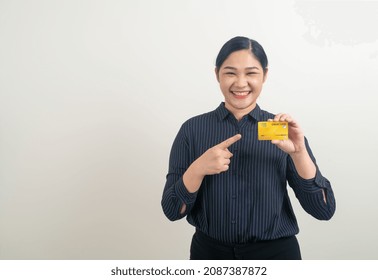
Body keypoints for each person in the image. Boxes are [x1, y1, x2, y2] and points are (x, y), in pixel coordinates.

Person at [161, 36, 336, 260]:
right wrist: (197, 169)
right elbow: (172, 210)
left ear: (265, 75)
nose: (241, 83)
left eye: (251, 73)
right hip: (210, 255)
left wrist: (298, 153)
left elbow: (323, 210)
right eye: (230, 73)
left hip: (276, 256)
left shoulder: (281, 129)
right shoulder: (192, 129)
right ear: (217, 75)